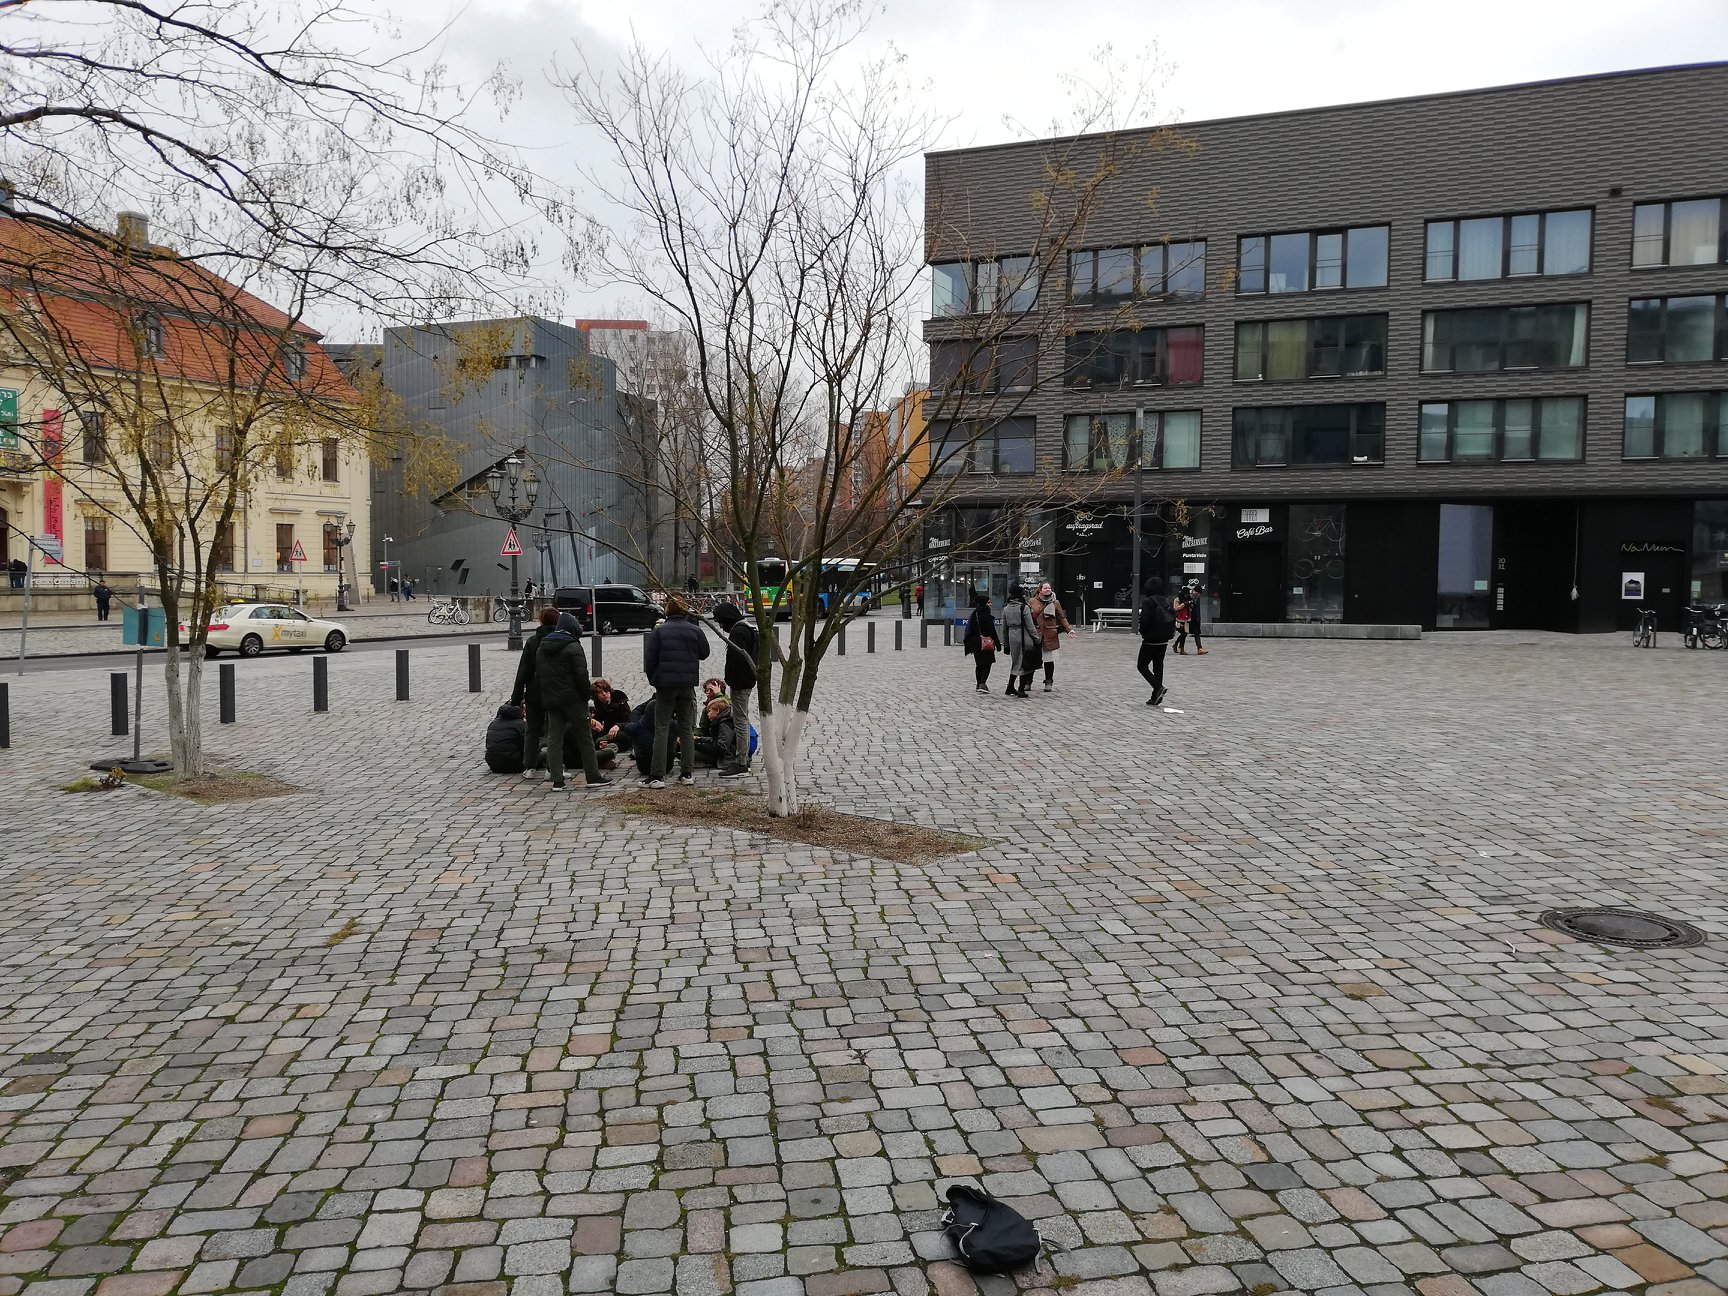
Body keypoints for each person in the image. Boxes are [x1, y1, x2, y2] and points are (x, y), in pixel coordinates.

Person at [536, 611, 609, 790]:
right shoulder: (573, 647)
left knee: (554, 738)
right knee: (585, 737)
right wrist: (586, 697)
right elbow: (581, 676)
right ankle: (592, 776)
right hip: (573, 700)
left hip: (552, 700)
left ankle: (557, 779)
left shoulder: (542, 647)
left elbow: (539, 676)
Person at [643, 594, 709, 787]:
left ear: (668, 610)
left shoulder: (660, 631)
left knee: (662, 728)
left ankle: (657, 775)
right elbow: (704, 654)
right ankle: (687, 773)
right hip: (687, 684)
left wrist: (654, 680)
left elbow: (650, 659)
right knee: (686, 728)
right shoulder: (694, 630)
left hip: (665, 685)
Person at [510, 607, 559, 779]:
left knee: (532, 730)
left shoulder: (532, 641)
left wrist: (516, 698)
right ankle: (551, 768)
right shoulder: (562, 640)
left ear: (540, 621)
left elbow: (523, 670)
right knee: (553, 731)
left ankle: (529, 767)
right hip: (555, 692)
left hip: (534, 692)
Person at [711, 602, 758, 777]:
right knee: (741, 719)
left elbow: (739, 660)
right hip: (746, 680)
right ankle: (742, 759)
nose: (722, 626)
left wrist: (732, 680)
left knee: (740, 721)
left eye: (721, 622)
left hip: (741, 682)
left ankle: (741, 762)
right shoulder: (748, 627)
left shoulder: (739, 631)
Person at [1028, 581, 1075, 692]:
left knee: (1048, 660)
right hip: (1035, 634)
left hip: (1050, 634)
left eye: (1049, 588)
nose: (1048, 590)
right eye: (1045, 588)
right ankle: (1028, 682)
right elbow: (1028, 617)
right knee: (1031, 659)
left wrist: (1069, 629)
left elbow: (1061, 618)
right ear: (1040, 590)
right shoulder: (1032, 601)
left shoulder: (1055, 602)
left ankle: (1048, 682)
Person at [1138, 577, 1176, 707]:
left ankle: (1158, 687)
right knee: (1158, 666)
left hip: (1151, 639)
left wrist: (1143, 633)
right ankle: (1155, 697)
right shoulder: (1167, 601)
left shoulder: (1148, 601)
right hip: (1164, 639)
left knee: (1142, 665)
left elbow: (1144, 621)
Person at [999, 585, 1039, 699]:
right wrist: (1036, 638)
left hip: (1012, 637)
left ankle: (1010, 686)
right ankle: (1021, 689)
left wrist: (1006, 644)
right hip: (1024, 635)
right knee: (1024, 663)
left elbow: (1004, 628)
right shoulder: (1024, 607)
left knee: (1015, 662)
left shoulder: (1006, 608)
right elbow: (1030, 625)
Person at [962, 591, 998, 693]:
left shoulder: (974, 614)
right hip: (986, 642)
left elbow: (970, 629)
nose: (990, 604)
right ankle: (983, 683)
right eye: (988, 602)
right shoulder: (986, 614)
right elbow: (992, 630)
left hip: (975, 642)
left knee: (979, 664)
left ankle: (978, 684)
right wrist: (998, 643)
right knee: (987, 663)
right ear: (985, 603)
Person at [694, 695, 739, 767]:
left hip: (725, 758)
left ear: (717, 711)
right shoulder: (722, 721)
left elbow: (720, 749)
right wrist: (700, 739)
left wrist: (695, 746)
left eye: (709, 711)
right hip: (722, 753)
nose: (708, 714)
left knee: (687, 753)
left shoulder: (724, 725)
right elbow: (717, 740)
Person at [485, 703, 528, 774]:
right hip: (515, 764)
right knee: (544, 753)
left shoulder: (493, 723)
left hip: (494, 764)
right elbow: (525, 747)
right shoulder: (521, 724)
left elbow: (488, 745)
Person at [1178, 580, 1209, 655]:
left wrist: (1198, 618)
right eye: (1197, 592)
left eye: (1199, 593)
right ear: (1194, 591)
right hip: (1187, 618)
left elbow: (1197, 609)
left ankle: (1199, 648)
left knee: (1197, 633)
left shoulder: (1197, 598)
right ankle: (1179, 646)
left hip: (1195, 619)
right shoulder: (1188, 597)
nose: (1197, 594)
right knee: (1184, 633)